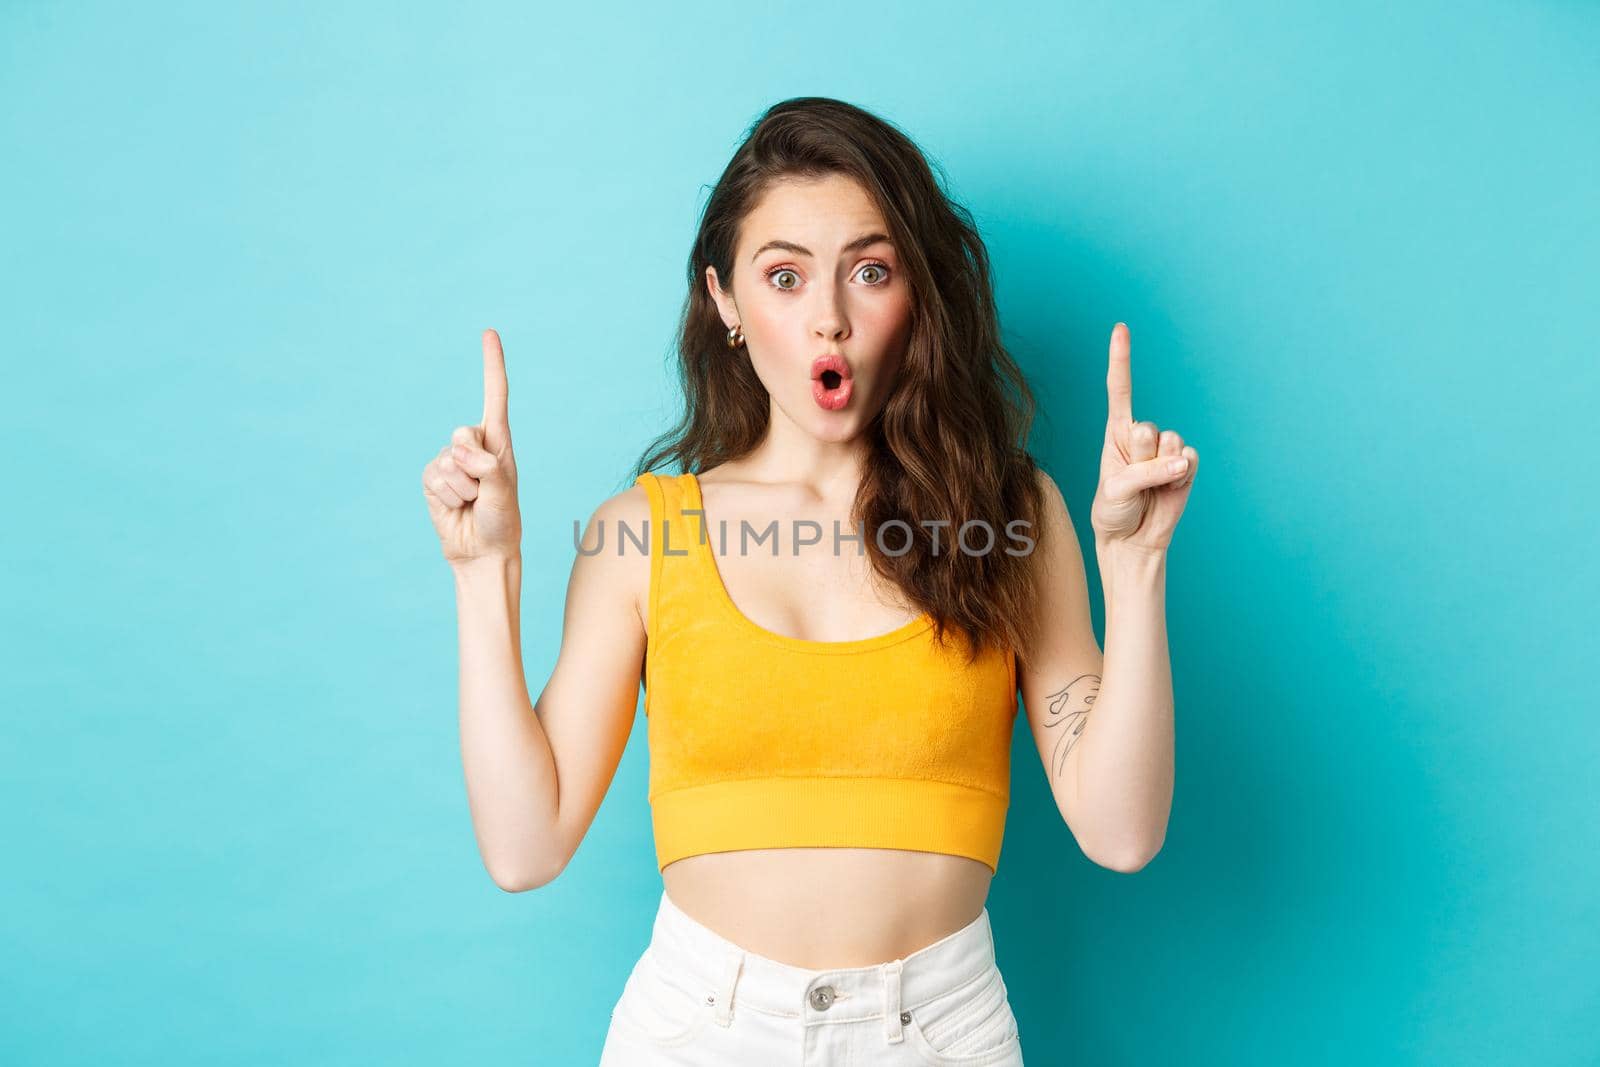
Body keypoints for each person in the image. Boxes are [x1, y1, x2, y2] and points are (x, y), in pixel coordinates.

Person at [420, 97, 1198, 1065]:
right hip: (696, 1029)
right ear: (726, 302)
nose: (828, 318)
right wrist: (482, 570)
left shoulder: (1008, 513)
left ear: (916, 294)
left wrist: (1134, 566)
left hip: (941, 1032)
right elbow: (523, 846)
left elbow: (1121, 830)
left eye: (868, 272)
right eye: (783, 276)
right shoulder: (642, 534)